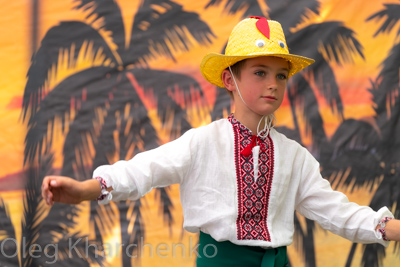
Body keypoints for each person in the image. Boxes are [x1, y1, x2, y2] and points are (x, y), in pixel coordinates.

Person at [41, 17, 400, 266]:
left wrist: (392, 229)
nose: (273, 84)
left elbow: (339, 213)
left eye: (280, 74)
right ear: (229, 79)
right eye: (259, 72)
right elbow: (142, 171)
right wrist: (86, 189)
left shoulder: (295, 157)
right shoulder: (203, 142)